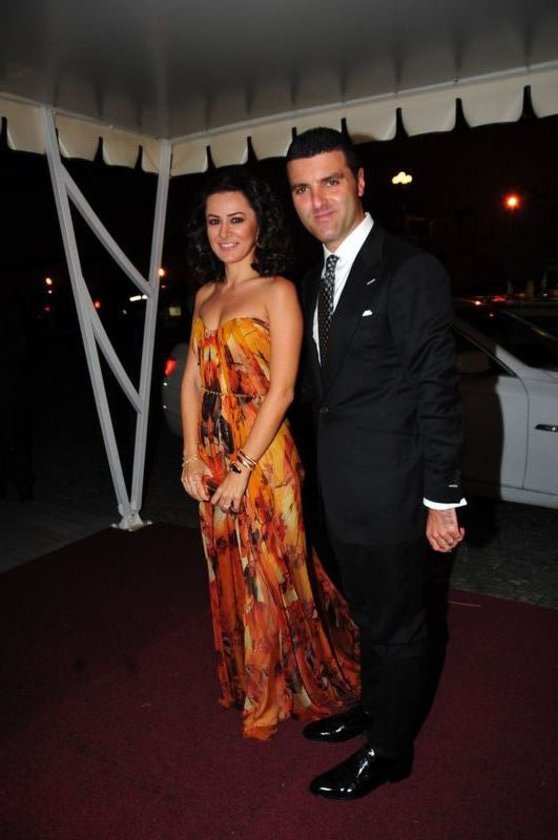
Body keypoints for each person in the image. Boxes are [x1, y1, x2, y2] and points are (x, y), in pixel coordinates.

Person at [286, 128, 465, 799]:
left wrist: (442, 497)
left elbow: (435, 390)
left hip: (394, 490)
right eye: (302, 189)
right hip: (339, 489)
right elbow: (322, 392)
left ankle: (389, 752)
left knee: (399, 625)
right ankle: (373, 708)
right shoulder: (313, 280)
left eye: (330, 182)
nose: (317, 200)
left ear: (360, 182)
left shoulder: (410, 270)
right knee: (367, 617)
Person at [179, 167, 359, 741]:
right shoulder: (205, 295)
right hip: (212, 454)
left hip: (261, 456)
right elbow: (192, 382)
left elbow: (282, 390)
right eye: (215, 221)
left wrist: (242, 468)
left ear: (260, 225)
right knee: (228, 566)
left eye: (237, 219)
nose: (225, 232)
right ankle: (249, 678)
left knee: (272, 572)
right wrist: (190, 456)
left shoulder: (278, 291)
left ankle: (280, 690)